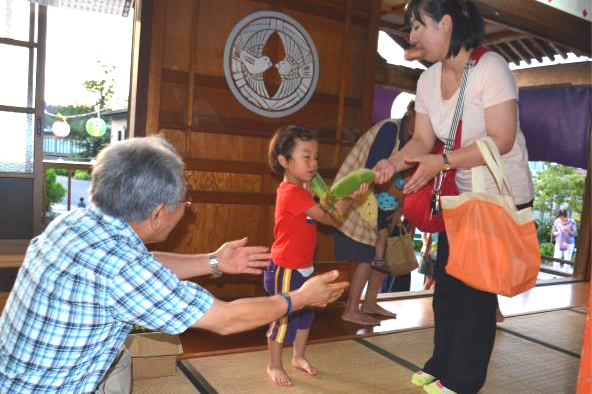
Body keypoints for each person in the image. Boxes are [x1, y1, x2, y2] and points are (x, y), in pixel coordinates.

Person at [0, 137, 349, 394]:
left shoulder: (77, 223)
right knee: (119, 365)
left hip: (14, 376)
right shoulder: (121, 269)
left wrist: (214, 262)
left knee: (118, 362)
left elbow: (142, 262)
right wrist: (299, 299)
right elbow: (225, 320)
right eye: (184, 201)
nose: (188, 206)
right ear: (156, 216)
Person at [373, 1, 534, 393]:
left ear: (446, 24)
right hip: (462, 193)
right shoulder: (428, 79)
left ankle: (462, 382)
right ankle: (440, 363)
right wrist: (393, 163)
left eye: (417, 27)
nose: (411, 38)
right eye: (409, 29)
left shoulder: (491, 68)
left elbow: (502, 139)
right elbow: (422, 139)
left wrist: (440, 163)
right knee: (447, 287)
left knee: (475, 296)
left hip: (497, 195)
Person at [265, 125, 367, 386]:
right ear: (284, 161)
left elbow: (324, 208)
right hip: (286, 268)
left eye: (316, 157)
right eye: (306, 156)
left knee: (306, 315)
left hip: (304, 266)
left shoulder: (304, 189)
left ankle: (298, 356)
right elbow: (330, 219)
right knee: (284, 317)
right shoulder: (291, 193)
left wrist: (326, 194)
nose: (313, 163)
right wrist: (351, 198)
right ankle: (273, 364)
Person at [334, 103, 416, 326]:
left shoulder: (413, 142)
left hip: (382, 204)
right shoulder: (390, 129)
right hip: (360, 197)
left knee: (381, 255)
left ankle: (370, 303)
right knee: (367, 254)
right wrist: (401, 195)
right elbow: (373, 174)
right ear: (411, 112)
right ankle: (351, 309)